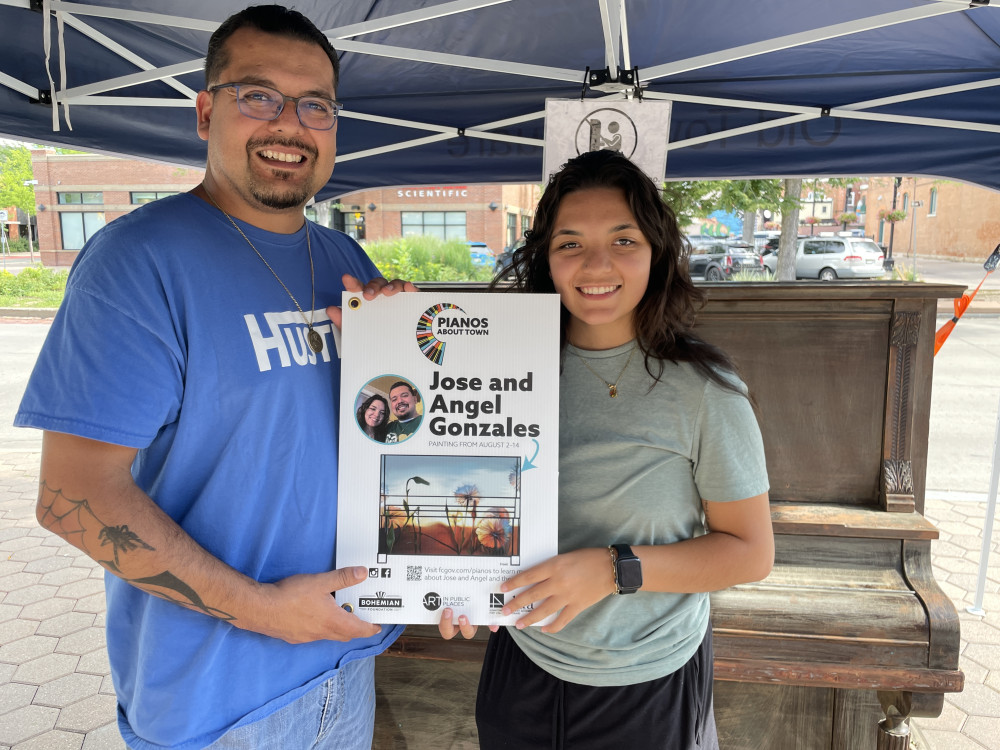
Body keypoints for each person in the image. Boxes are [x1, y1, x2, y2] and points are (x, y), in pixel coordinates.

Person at [14, 6, 416, 749]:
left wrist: (410, 355)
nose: (289, 124)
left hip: (346, 662)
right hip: (219, 705)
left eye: (316, 105)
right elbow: (72, 497)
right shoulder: (137, 261)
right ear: (205, 113)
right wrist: (268, 612)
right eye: (258, 96)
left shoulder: (345, 263)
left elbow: (383, 437)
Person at [438, 149, 774, 749]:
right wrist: (454, 583)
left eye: (623, 240)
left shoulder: (705, 392)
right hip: (523, 664)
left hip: (650, 679)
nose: (596, 264)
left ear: (657, 252)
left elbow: (750, 553)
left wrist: (614, 569)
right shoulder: (496, 369)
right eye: (570, 243)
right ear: (545, 257)